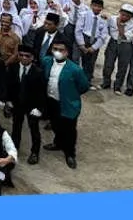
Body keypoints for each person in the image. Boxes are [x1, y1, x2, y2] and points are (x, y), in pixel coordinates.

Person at [43, 39, 89, 169]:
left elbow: (84, 86)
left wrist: (71, 95)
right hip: (51, 100)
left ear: (67, 52)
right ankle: (57, 143)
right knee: (55, 124)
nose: (57, 52)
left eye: (61, 50)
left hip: (68, 104)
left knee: (69, 130)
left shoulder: (75, 69)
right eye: (55, 49)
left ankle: (70, 153)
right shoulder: (47, 62)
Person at [6, 47, 46, 165]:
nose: (24, 58)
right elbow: (9, 86)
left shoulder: (38, 72)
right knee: (16, 126)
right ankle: (14, 148)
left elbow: (42, 93)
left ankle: (34, 152)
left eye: (27, 56)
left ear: (32, 58)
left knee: (34, 129)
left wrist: (39, 108)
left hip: (32, 106)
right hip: (17, 103)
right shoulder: (13, 68)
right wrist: (8, 100)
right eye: (21, 55)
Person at [101, 3, 133, 93]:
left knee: (122, 66)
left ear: (131, 16)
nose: (124, 17)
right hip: (113, 42)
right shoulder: (112, 19)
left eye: (127, 15)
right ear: (120, 12)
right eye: (123, 14)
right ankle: (106, 82)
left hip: (125, 45)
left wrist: (119, 26)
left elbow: (124, 37)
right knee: (108, 64)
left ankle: (117, 86)